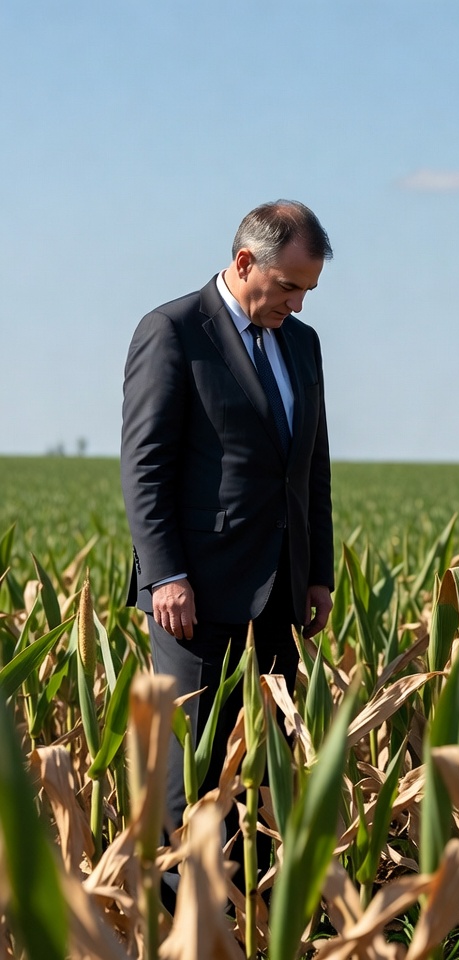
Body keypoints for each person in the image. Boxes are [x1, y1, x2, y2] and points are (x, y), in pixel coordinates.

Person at [120, 199, 335, 903]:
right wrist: (166, 574)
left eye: (307, 289)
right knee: (193, 776)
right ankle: (182, 925)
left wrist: (319, 572)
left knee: (259, 774)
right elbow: (145, 465)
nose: (298, 302)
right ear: (246, 263)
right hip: (195, 596)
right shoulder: (174, 331)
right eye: (289, 287)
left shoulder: (301, 343)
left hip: (280, 591)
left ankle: (245, 920)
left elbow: (311, 468)